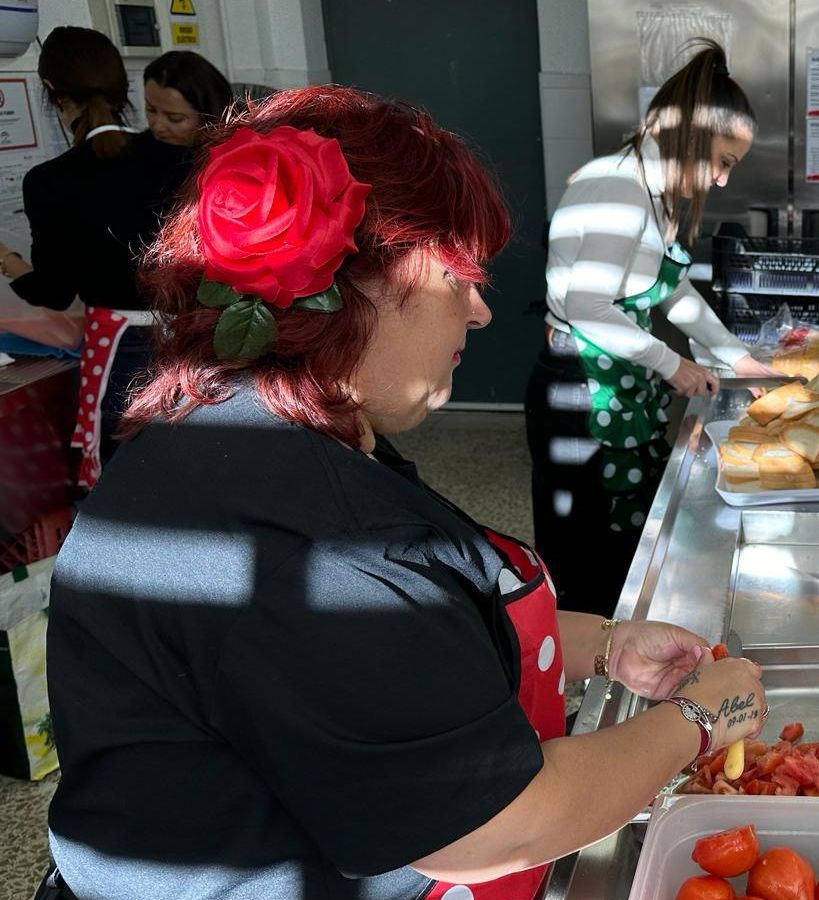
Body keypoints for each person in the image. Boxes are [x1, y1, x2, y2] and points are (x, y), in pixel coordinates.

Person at [43, 86, 766, 900]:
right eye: (460, 277)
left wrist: (603, 644)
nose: (483, 311)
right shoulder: (319, 542)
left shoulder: (238, 431)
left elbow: (395, 647)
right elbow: (498, 826)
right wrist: (698, 721)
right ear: (359, 284)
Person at [528, 39, 779, 617]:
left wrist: (734, 357)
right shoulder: (615, 187)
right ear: (691, 134)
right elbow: (587, 305)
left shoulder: (653, 191)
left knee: (625, 543)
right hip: (580, 393)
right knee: (587, 553)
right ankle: (586, 682)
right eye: (722, 161)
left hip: (616, 385)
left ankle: (618, 660)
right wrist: (674, 365)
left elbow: (671, 291)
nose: (720, 181)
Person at [0, 27, 194, 487]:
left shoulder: (50, 180)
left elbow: (53, 289)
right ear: (124, 88)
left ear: (51, 91)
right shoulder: (177, 158)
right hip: (191, 344)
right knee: (187, 476)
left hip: (119, 352)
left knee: (125, 485)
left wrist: (8, 260)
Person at [142, 50, 233, 147]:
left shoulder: (237, 155)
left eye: (175, 119)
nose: (157, 127)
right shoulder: (134, 149)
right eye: (151, 110)